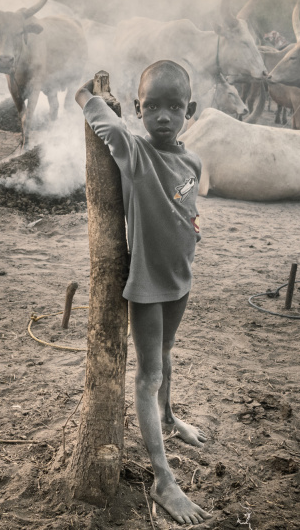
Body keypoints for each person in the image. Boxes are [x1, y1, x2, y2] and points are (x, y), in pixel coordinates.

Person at [76, 60, 212, 525]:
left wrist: (193, 229)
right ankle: (163, 479)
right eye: (151, 107)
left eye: (174, 107)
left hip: (181, 279)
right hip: (149, 286)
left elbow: (186, 203)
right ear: (138, 109)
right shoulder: (135, 154)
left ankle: (169, 417)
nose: (163, 117)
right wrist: (85, 95)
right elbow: (107, 126)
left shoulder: (192, 160)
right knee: (148, 375)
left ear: (190, 110)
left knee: (167, 354)